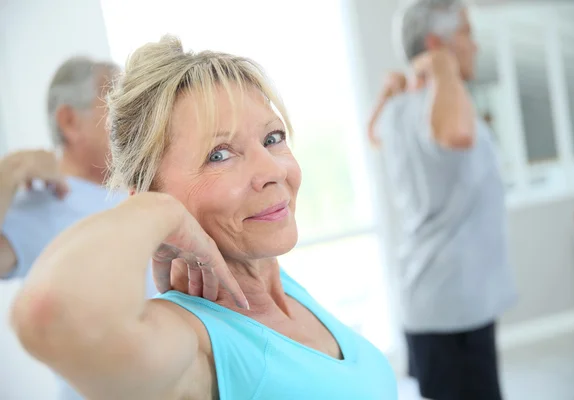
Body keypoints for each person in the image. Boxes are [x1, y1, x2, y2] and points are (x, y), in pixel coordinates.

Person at [10, 36, 399, 400]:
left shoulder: (280, 286)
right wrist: (155, 209)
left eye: (272, 138)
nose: (272, 170)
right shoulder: (194, 343)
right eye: (219, 155)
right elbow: (49, 314)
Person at [370, 1, 517, 399]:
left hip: (438, 302)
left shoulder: (402, 108)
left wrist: (389, 91)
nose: (476, 46)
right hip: (454, 310)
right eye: (467, 33)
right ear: (437, 43)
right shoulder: (441, 112)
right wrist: (441, 66)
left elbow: (374, 136)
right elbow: (457, 135)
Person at [0, 56, 157, 400]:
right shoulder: (40, 206)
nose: (136, 116)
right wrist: (6, 174)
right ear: (70, 121)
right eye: (117, 101)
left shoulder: (144, 192)